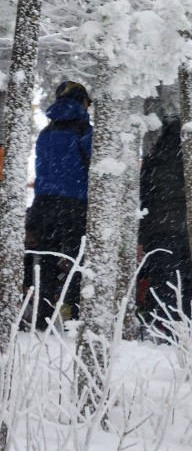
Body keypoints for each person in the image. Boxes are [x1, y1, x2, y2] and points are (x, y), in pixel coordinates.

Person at [28, 80, 92, 327]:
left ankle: (42, 316)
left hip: (44, 204)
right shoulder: (84, 131)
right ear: (81, 101)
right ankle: (75, 315)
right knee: (78, 260)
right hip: (76, 205)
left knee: (45, 260)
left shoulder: (46, 132)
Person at [138, 117, 192, 329]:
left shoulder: (153, 160)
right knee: (185, 282)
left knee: (162, 279)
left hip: (158, 229)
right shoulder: (191, 161)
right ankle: (182, 325)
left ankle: (161, 323)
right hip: (186, 230)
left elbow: (145, 199)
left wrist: (142, 237)